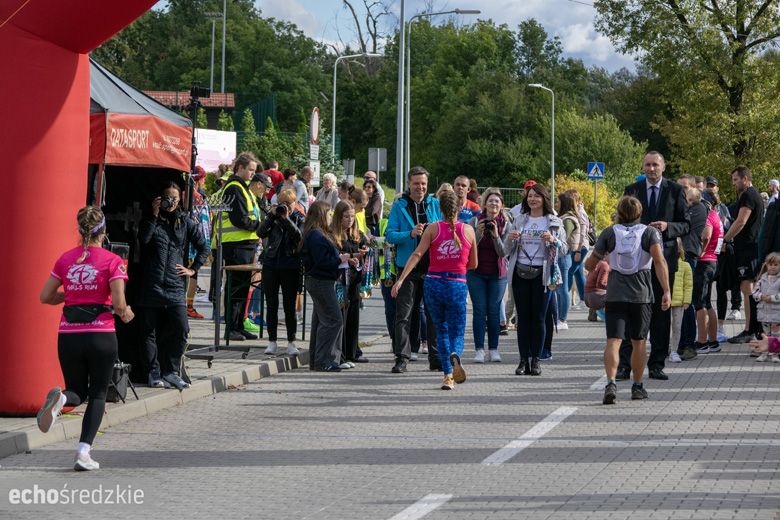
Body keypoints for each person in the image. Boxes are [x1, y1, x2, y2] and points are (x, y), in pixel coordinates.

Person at [37, 206, 135, 471]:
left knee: (76, 392)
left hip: (69, 334)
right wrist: (127, 315)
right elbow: (118, 303)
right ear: (103, 231)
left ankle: (62, 400)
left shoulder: (65, 259)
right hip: (100, 334)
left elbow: (45, 296)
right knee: (98, 394)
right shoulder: (113, 261)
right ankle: (83, 453)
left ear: (80, 230)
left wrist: (70, 296)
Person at [585, 196, 671, 405]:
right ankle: (638, 386)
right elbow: (659, 262)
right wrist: (666, 290)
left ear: (619, 213)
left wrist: (605, 259)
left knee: (613, 341)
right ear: (640, 213)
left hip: (614, 295)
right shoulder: (649, 233)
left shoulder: (609, 233)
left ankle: (611, 383)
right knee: (639, 342)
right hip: (641, 296)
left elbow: (589, 264)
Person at [392, 189, 477, 389]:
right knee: (457, 329)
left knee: (441, 329)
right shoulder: (469, 230)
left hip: (434, 283)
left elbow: (416, 254)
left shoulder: (432, 229)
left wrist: (401, 279)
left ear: (439, 208)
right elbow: (473, 264)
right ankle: (455, 354)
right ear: (459, 208)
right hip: (457, 283)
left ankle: (448, 375)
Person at [619, 151, 690, 381]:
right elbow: (621, 220)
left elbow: (686, 225)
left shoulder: (676, 190)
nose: (651, 169)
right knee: (632, 314)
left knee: (661, 314)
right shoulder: (632, 190)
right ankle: (625, 365)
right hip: (636, 263)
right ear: (643, 167)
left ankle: (657, 364)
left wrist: (667, 226)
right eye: (648, 165)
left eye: (655, 165)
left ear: (663, 166)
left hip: (664, 260)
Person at [138, 181, 208, 389]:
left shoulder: (184, 222)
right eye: (168, 198)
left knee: (181, 329)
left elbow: (204, 247)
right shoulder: (151, 219)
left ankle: (171, 371)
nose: (171, 202)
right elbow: (144, 239)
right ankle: (153, 372)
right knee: (148, 331)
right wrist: (153, 214)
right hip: (151, 284)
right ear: (160, 198)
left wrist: (193, 269)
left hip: (174, 285)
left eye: (175, 199)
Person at [504, 183, 567, 376]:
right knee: (523, 318)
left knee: (539, 318)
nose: (532, 199)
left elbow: (564, 249)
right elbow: (506, 250)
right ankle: (523, 360)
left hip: (543, 274)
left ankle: (536, 360)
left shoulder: (554, 221)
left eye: (537, 196)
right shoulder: (519, 220)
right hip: (520, 272)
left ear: (544, 199)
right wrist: (511, 239)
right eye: (530, 196)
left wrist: (553, 240)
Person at [386, 166, 442, 373]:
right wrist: (410, 233)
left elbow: (445, 229)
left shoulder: (434, 204)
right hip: (407, 267)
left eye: (424, 184)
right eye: (417, 183)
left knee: (433, 313)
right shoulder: (399, 206)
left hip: (432, 267)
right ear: (409, 183)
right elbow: (390, 235)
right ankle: (402, 356)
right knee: (404, 315)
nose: (420, 187)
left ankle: (435, 357)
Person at [300, 201, 352, 371]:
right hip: (320, 281)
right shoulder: (316, 235)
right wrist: (339, 259)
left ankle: (318, 360)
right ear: (321, 215)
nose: (331, 217)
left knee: (321, 321)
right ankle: (324, 361)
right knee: (333, 320)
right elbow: (322, 261)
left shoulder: (317, 233)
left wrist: (343, 259)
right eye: (329, 214)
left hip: (320, 280)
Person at [218, 152, 264, 341]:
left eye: (254, 170)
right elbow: (240, 218)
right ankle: (232, 328)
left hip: (245, 244)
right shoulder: (235, 187)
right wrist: (259, 227)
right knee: (236, 288)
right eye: (250, 170)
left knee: (243, 288)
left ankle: (238, 325)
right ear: (240, 168)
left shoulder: (242, 188)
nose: (253, 173)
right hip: (237, 245)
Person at [258, 188, 304, 356]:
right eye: (283, 203)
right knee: (271, 304)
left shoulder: (299, 218)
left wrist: (286, 220)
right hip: (271, 263)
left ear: (295, 204)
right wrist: (271, 216)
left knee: (289, 305)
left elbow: (299, 236)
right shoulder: (273, 217)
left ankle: (291, 342)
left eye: (289, 203)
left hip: (290, 265)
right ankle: (272, 341)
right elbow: (260, 232)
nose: (286, 207)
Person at [467, 188, 509, 363]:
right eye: (490, 201)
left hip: (497, 274)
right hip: (476, 273)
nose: (493, 204)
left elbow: (503, 252)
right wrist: (479, 232)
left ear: (501, 206)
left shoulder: (507, 224)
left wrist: (495, 235)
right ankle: (478, 350)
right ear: (485, 204)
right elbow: (469, 248)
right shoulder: (474, 221)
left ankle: (493, 349)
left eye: (497, 202)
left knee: (493, 312)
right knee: (479, 311)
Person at [724, 165, 765, 345]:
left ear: (745, 179)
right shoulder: (749, 195)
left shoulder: (749, 195)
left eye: (736, 180)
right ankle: (754, 329)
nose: (734, 184)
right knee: (749, 288)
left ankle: (751, 329)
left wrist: (724, 239)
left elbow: (741, 221)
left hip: (748, 248)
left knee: (748, 287)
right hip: (749, 247)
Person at [332, 200, 370, 367]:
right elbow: (336, 254)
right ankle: (340, 353)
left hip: (354, 280)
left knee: (353, 317)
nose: (349, 220)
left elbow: (366, 244)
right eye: (346, 216)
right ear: (338, 217)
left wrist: (366, 251)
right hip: (339, 281)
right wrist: (351, 255)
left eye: (352, 216)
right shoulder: (333, 234)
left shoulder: (357, 233)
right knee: (342, 316)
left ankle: (352, 352)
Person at [692, 192, 724, 355]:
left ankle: (702, 342)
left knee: (700, 303)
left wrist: (699, 253)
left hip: (705, 262)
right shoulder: (715, 215)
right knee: (707, 303)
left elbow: (706, 235)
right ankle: (713, 341)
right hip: (713, 261)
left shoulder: (708, 216)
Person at [186, 166, 211, 319]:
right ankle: (188, 306)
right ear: (199, 179)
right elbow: (203, 223)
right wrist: (205, 245)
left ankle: (184, 305)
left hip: (182, 241)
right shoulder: (198, 198)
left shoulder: (182, 193)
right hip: (194, 243)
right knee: (192, 274)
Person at [556, 192, 581, 330]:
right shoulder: (567, 218)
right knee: (561, 289)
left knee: (563, 289)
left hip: (564, 256)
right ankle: (560, 317)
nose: (556, 204)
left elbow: (563, 238)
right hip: (564, 256)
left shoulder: (567, 220)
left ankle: (562, 319)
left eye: (558, 202)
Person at [565, 189, 591, 310]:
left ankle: (563, 297)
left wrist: (579, 251)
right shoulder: (577, 211)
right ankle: (584, 300)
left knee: (569, 272)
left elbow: (582, 233)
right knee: (578, 273)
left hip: (580, 246)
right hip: (579, 246)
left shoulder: (580, 212)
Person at [752, 252, 780, 362]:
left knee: (776, 334)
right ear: (766, 265)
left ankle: (775, 354)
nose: (773, 267)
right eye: (771, 264)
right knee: (765, 334)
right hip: (764, 312)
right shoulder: (761, 279)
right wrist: (761, 296)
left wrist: (772, 298)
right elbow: (754, 292)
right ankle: (764, 353)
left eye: (776, 264)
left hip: (776, 312)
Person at [669, 239, 693, 363]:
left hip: (679, 303)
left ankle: (674, 351)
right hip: (665, 301)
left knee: (677, 327)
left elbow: (688, 285)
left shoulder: (685, 265)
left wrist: (687, 301)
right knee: (665, 327)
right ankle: (664, 349)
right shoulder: (663, 264)